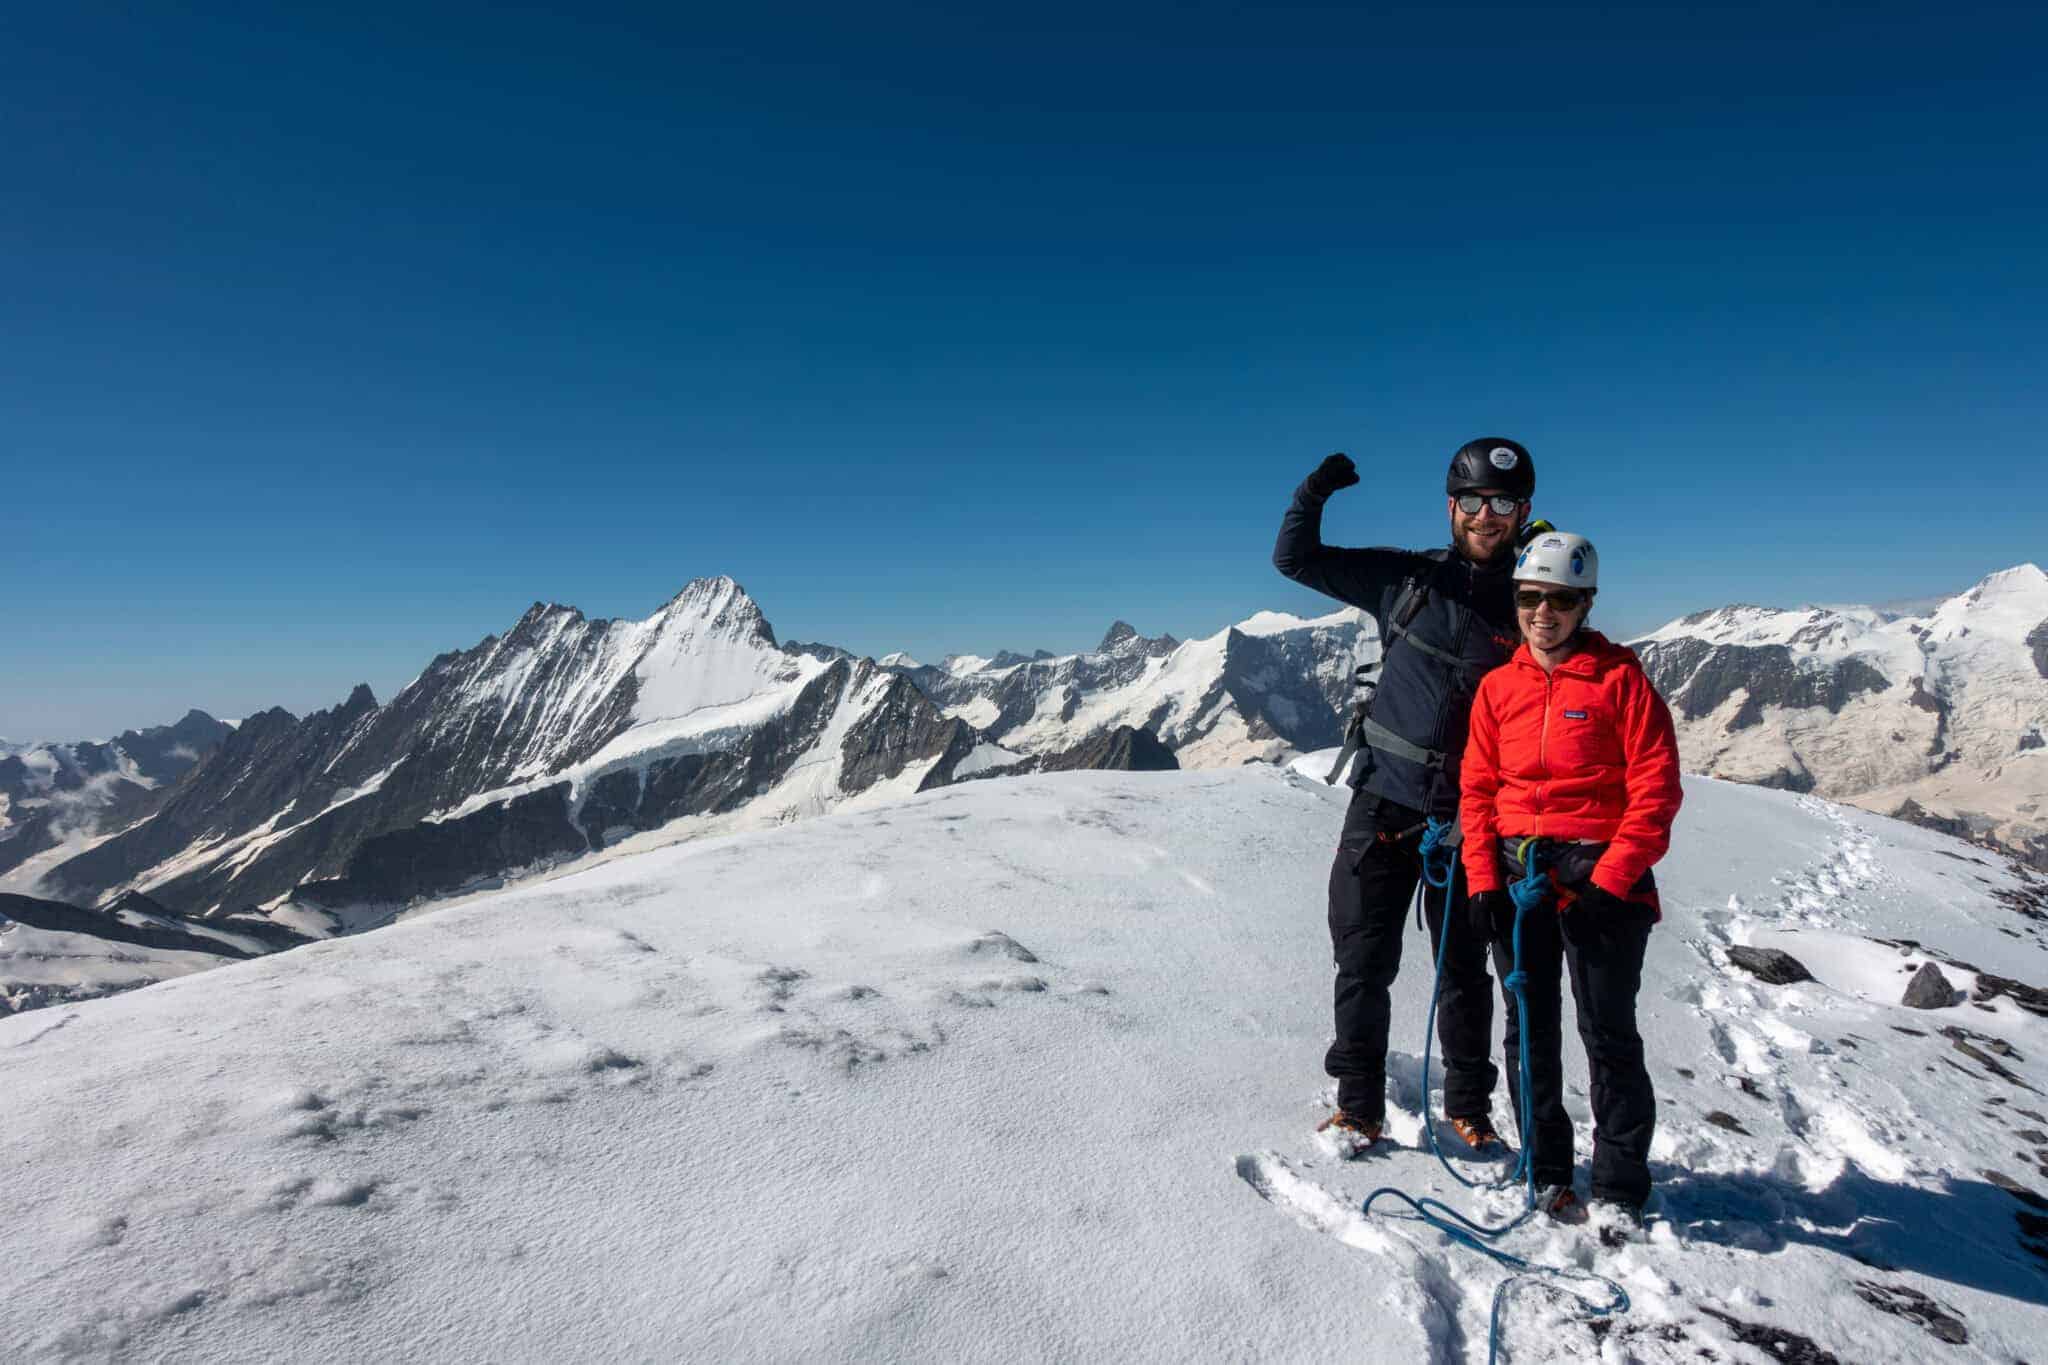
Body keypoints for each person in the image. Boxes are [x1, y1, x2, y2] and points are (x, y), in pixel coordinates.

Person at [1273, 438, 1538, 1154]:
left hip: (1470, 815)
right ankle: (1358, 1106)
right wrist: (1313, 494)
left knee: (1464, 971)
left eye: (1503, 502)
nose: (1487, 515)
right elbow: (1296, 560)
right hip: (1384, 801)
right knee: (1363, 960)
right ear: (1452, 506)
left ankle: (1470, 1107)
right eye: (1474, 501)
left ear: (1522, 512)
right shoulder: (1406, 578)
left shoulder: (1531, 603)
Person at [1457, 531, 1683, 1227]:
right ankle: (1547, 1167)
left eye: (1559, 599)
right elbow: (1477, 790)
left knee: (1607, 1031)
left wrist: (1609, 884)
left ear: (1585, 604)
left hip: (1599, 874)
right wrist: (1482, 881)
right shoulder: (1498, 688)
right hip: (1519, 873)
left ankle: (1618, 1185)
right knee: (1528, 1028)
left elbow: (1656, 791)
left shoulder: (1621, 682)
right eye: (1530, 597)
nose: (1542, 613)